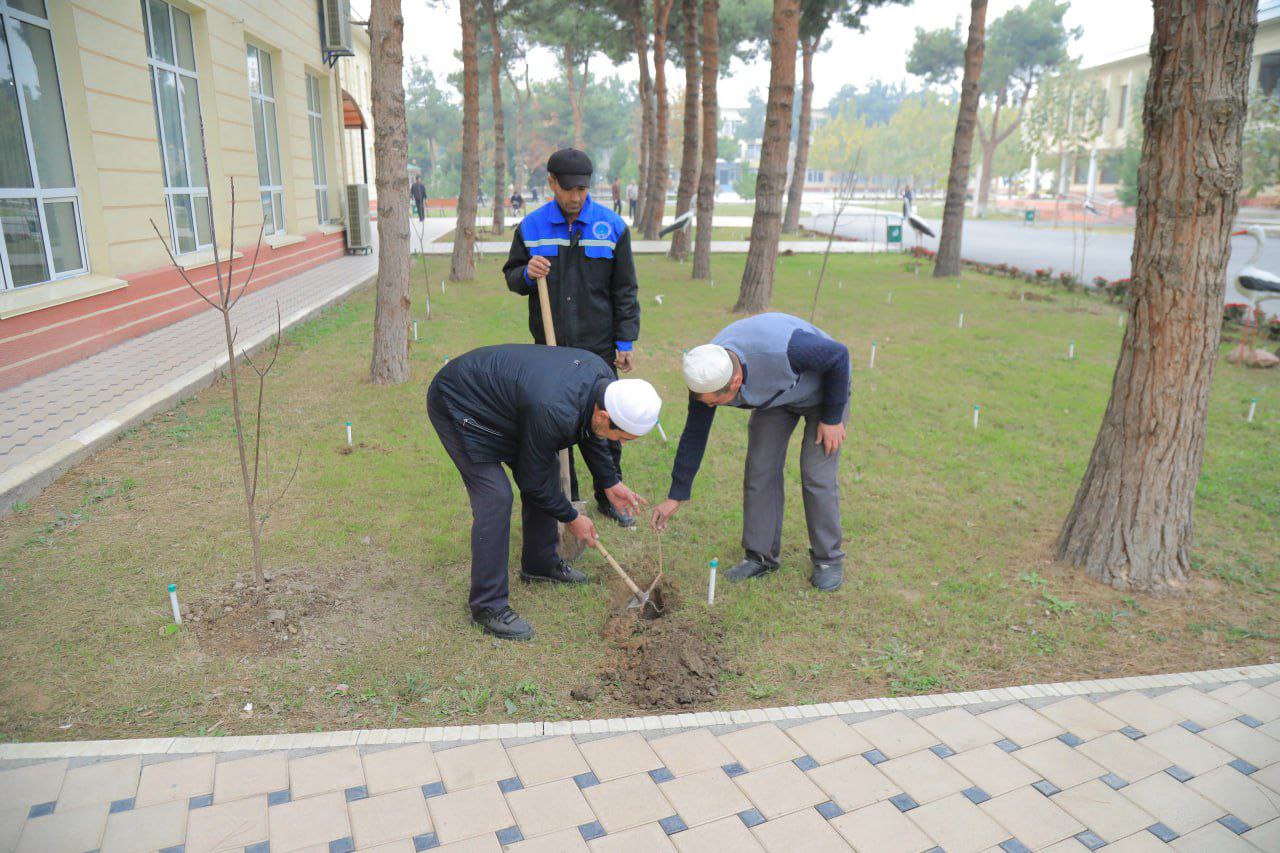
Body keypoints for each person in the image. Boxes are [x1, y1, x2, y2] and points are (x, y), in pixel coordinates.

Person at [428, 344, 661, 640]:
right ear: (605, 415)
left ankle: (540, 562)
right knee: (495, 496)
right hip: (460, 401)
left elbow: (591, 433)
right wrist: (571, 517)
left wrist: (609, 481)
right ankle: (488, 606)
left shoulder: (602, 382)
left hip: (512, 407)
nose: (623, 443)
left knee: (547, 467)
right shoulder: (555, 409)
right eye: (623, 437)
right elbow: (532, 482)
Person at [651, 313, 851, 592]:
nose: (708, 407)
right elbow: (695, 434)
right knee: (760, 468)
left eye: (715, 403)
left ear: (734, 383)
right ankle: (761, 556)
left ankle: (828, 560)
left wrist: (832, 418)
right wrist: (677, 494)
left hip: (824, 393)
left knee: (816, 474)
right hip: (778, 398)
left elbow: (838, 355)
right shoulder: (706, 376)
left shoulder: (788, 350)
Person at [503, 148, 642, 528]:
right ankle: (570, 497)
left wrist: (625, 342)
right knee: (556, 427)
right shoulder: (531, 228)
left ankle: (607, 495)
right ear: (551, 184)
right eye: (568, 189)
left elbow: (625, 289)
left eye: (582, 189)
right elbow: (512, 276)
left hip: (598, 349)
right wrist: (527, 274)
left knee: (606, 426)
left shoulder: (612, 227)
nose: (576, 197)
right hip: (550, 351)